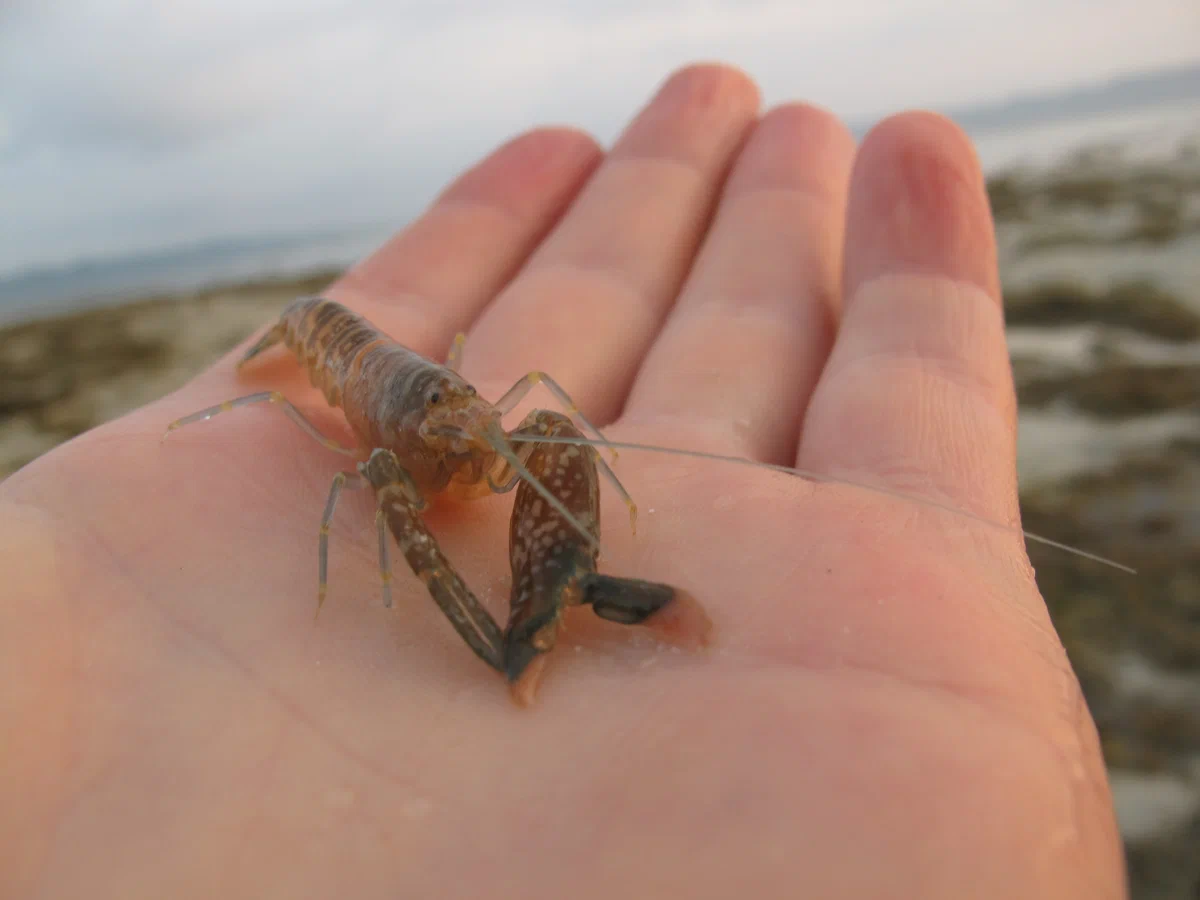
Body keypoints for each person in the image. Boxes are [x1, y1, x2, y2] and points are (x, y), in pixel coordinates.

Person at [0, 63, 1125, 898]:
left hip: (398, 376)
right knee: (368, 493)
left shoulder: (488, 425)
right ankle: (500, 638)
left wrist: (516, 455)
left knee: (555, 430)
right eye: (463, 440)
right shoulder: (378, 450)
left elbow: (536, 427)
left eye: (477, 429)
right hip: (334, 351)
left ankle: (543, 606)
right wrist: (383, 562)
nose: (482, 458)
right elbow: (381, 499)